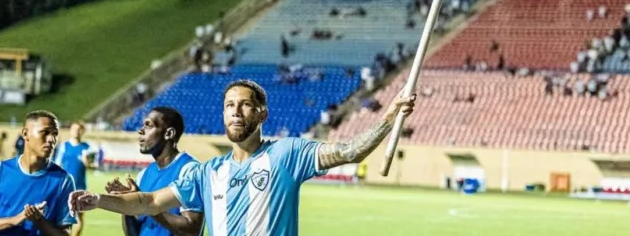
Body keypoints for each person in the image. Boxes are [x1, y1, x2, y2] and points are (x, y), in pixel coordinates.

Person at [69, 79, 416, 235]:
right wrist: (97, 200)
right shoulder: (206, 172)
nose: (236, 111)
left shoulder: (287, 154)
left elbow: (349, 151)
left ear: (262, 114)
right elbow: (148, 202)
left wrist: (388, 118)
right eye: (229, 105)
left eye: (245, 105)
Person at [104, 107, 203, 236]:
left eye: (149, 125)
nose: (140, 130)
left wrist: (146, 204)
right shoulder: (143, 175)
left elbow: (192, 230)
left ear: (169, 133)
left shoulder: (190, 170)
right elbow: (133, 233)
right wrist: (128, 204)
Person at [0, 110, 76, 235]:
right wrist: (13, 221)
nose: (52, 139)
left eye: (55, 134)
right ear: (25, 134)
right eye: (45, 132)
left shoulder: (63, 180)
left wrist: (39, 221)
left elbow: (65, 234)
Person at [53, 121, 91, 236]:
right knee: (63, 218)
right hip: (65, 187)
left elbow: (92, 165)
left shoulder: (86, 147)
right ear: (70, 130)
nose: (76, 132)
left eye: (79, 129)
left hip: (80, 186)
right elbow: (57, 165)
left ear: (82, 131)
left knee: (79, 218)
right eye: (74, 129)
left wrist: (87, 162)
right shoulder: (64, 146)